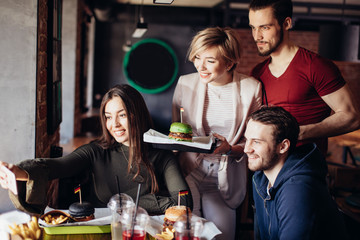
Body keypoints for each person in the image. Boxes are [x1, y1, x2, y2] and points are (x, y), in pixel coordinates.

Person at [0, 84, 192, 215]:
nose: (114, 124)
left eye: (122, 115)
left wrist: (132, 203)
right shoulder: (96, 151)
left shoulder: (163, 156)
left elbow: (184, 203)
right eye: (108, 117)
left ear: (137, 115)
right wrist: (18, 171)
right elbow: (54, 167)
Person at [172, 27, 262, 240]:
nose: (200, 66)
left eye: (210, 61)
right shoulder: (185, 83)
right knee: (186, 235)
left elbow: (255, 141)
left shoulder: (252, 89)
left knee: (221, 237)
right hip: (189, 171)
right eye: (197, 57)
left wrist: (230, 149)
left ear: (229, 63)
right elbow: (177, 129)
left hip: (225, 179)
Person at [248, 0, 360, 155]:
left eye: (265, 27)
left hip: (304, 167)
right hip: (266, 169)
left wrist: (298, 133)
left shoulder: (315, 66)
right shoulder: (257, 72)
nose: (257, 36)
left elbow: (351, 117)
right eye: (253, 28)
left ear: (286, 23)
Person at [244, 106, 348, 239]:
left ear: (283, 146)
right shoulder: (260, 177)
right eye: (247, 139)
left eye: (256, 142)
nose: (247, 149)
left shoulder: (298, 189)